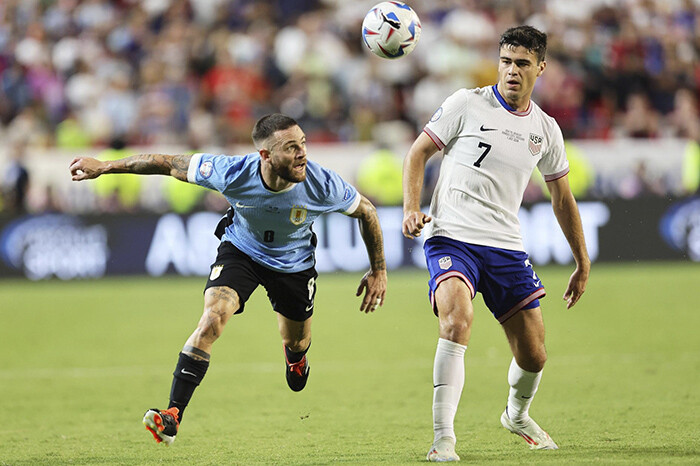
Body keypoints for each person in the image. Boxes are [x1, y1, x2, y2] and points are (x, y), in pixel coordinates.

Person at [69, 113, 387, 445]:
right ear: (265, 156)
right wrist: (106, 166)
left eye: (303, 143)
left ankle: (296, 358)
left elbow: (367, 212)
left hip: (293, 265)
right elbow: (164, 162)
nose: (302, 153)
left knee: (296, 341)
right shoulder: (232, 172)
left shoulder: (321, 183)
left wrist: (378, 269)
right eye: (291, 148)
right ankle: (172, 415)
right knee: (212, 319)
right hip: (242, 252)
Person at [402, 26, 590, 462]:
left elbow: (562, 197)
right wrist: (412, 208)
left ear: (540, 68)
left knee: (535, 354)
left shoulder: (545, 129)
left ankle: (517, 414)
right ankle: (442, 438)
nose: (511, 70)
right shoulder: (467, 103)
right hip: (451, 234)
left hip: (505, 245)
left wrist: (581, 260)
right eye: (506, 61)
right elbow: (417, 153)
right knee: (456, 319)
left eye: (522, 63)